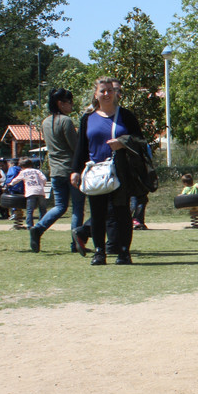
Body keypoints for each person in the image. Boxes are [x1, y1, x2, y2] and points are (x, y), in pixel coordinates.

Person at [70, 77, 145, 265]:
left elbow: (140, 140)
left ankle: (123, 252)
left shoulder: (126, 116)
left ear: (115, 93)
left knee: (121, 212)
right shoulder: (88, 119)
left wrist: (122, 142)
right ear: (95, 94)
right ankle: (99, 252)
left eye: (110, 90)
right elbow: (81, 147)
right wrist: (76, 170)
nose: (106, 94)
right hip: (96, 172)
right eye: (102, 91)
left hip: (121, 171)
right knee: (97, 213)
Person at [30, 88, 85, 253]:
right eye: (69, 102)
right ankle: (76, 242)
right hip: (71, 169)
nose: (71, 105)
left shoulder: (45, 122)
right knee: (77, 208)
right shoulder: (66, 121)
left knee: (60, 206)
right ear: (60, 103)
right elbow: (75, 147)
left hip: (55, 171)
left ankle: (38, 228)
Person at [7, 158, 47, 238]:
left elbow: (16, 180)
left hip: (31, 192)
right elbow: (44, 179)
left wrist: (10, 184)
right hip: (40, 191)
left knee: (30, 210)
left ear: (21, 166)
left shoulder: (23, 172)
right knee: (42, 209)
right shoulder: (37, 171)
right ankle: (42, 225)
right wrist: (42, 184)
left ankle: (30, 226)